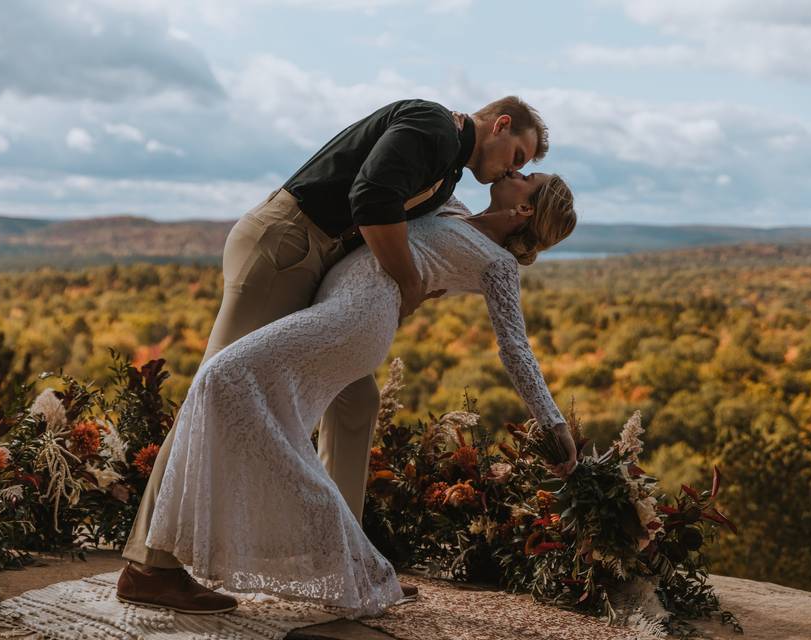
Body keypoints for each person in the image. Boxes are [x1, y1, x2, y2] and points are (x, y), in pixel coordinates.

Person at [117, 96, 550, 614]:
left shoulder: (450, 171)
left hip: (314, 258)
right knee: (216, 387)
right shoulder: (433, 125)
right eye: (518, 155)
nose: (514, 168)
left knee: (356, 403)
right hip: (288, 246)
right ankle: (150, 567)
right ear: (501, 125)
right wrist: (409, 282)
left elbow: (436, 234)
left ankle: (345, 565)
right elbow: (371, 199)